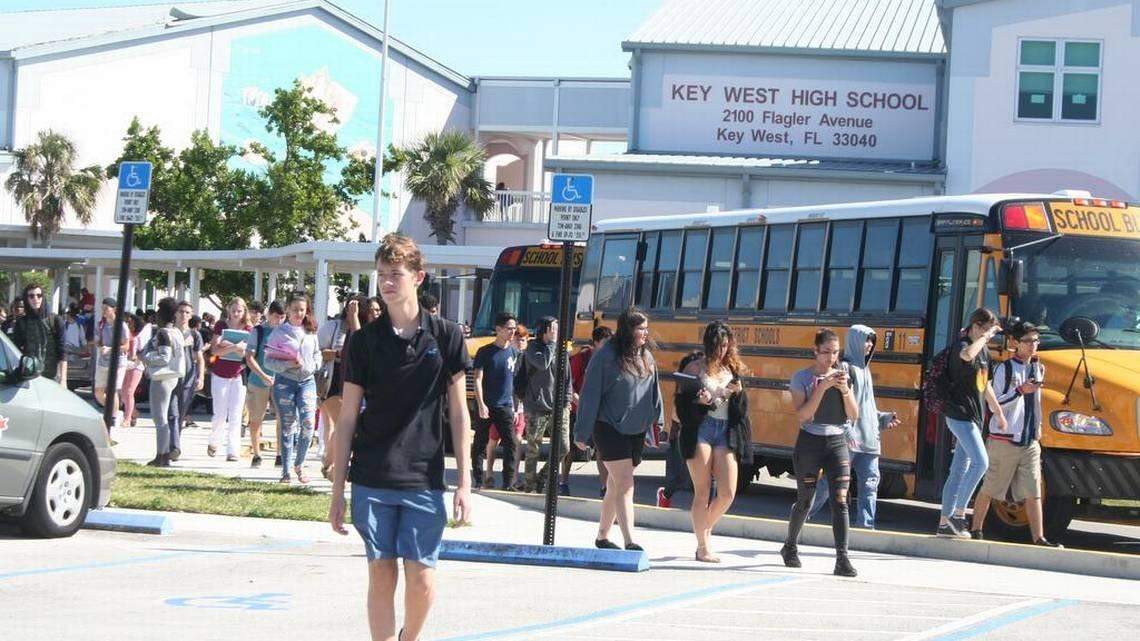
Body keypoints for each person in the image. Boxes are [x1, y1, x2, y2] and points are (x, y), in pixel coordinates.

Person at [328, 233, 471, 641]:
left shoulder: (446, 336)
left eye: (396, 274)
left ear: (418, 277)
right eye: (382, 275)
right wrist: (338, 489)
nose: (387, 283)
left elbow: (460, 414)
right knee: (380, 570)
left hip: (424, 477)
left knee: (422, 578)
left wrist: (465, 481)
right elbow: (348, 416)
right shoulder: (364, 342)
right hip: (372, 475)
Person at [574, 308, 663, 551]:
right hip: (608, 426)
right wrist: (581, 432)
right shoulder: (606, 357)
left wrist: (657, 422)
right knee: (625, 483)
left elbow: (654, 392)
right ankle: (630, 540)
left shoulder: (646, 356)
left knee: (615, 484)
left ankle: (602, 536)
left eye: (646, 328)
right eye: (640, 328)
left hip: (635, 428)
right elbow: (589, 395)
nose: (645, 333)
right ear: (627, 329)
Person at [970, 322, 1062, 547]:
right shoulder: (1004, 368)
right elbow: (994, 404)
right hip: (1004, 439)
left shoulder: (1038, 368)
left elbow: (1037, 403)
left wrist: (1038, 429)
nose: (1033, 345)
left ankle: (1039, 538)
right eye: (1028, 341)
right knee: (991, 487)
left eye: (1036, 341)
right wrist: (1020, 391)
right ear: (1015, 343)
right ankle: (976, 529)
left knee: (1034, 490)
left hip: (1030, 439)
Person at [782, 328, 860, 578]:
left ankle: (842, 557)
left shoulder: (845, 376)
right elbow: (803, 414)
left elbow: (854, 415)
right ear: (815, 351)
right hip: (810, 442)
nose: (830, 358)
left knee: (841, 499)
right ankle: (790, 546)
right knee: (806, 499)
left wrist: (845, 390)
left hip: (837, 442)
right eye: (825, 352)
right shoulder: (801, 378)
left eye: (835, 352)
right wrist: (822, 387)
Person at [675, 321, 753, 563]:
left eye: (726, 346)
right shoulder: (694, 368)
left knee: (728, 492)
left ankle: (703, 530)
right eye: (718, 346)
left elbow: (741, 412)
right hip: (700, 429)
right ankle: (702, 546)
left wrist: (738, 394)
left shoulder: (732, 369)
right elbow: (681, 410)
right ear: (709, 345)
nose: (721, 351)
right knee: (703, 491)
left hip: (725, 431)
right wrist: (701, 402)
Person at [808, 325, 901, 529]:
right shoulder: (846, 369)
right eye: (866, 340)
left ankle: (866, 527)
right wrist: (848, 431)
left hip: (869, 441)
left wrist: (883, 419)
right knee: (830, 483)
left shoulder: (865, 370)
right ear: (854, 341)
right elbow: (840, 406)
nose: (869, 345)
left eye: (871, 341)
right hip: (849, 440)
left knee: (870, 484)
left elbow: (866, 408)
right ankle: (803, 515)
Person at [939, 308, 1006, 537]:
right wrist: (985, 337)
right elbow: (967, 356)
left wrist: (998, 412)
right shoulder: (962, 346)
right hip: (959, 415)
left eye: (990, 331)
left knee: (959, 469)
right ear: (975, 326)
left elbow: (985, 385)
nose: (988, 335)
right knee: (981, 463)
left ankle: (944, 523)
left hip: (975, 417)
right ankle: (958, 515)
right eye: (985, 329)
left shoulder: (984, 351)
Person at [322, 295, 383, 480]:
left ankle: (329, 464)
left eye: (378, 310)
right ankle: (334, 467)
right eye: (371, 310)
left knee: (345, 428)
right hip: (343, 389)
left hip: (370, 390)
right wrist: (354, 316)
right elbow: (360, 343)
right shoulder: (355, 330)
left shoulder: (380, 332)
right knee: (346, 427)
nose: (375, 314)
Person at [264, 294, 322, 484]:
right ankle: (286, 470)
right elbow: (268, 360)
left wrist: (312, 366)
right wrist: (288, 364)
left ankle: (300, 464)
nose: (299, 313)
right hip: (285, 383)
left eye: (302, 310)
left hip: (307, 381)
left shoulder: (311, 331)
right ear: (288, 309)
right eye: (295, 309)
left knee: (307, 423)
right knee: (288, 425)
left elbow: (317, 355)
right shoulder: (279, 332)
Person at [521, 316, 573, 494]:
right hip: (537, 405)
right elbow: (542, 364)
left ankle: (542, 477)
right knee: (533, 448)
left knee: (563, 447)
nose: (556, 333)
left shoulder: (562, 350)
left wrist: (566, 403)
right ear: (544, 330)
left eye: (557, 330)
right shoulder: (532, 348)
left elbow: (567, 378)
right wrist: (551, 345)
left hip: (558, 406)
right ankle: (529, 485)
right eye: (553, 329)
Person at [471, 312, 522, 490]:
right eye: (509, 329)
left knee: (511, 443)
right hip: (487, 404)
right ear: (498, 329)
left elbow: (516, 382)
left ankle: (508, 483)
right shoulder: (485, 352)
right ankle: (478, 478)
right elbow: (477, 378)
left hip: (506, 406)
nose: (512, 332)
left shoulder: (514, 353)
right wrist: (480, 403)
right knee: (480, 442)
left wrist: (517, 407)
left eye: (514, 329)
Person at [572, 325, 614, 498]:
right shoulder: (583, 359)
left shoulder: (613, 359)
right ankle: (564, 480)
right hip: (582, 408)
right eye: (605, 342)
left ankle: (607, 487)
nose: (608, 346)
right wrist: (578, 401)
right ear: (595, 343)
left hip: (605, 412)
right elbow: (571, 383)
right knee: (571, 451)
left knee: (603, 452)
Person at [208, 298, 252, 462]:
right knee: (220, 413)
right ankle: (214, 441)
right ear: (228, 310)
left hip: (238, 374)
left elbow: (247, 352)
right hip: (220, 373)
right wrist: (234, 347)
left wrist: (227, 347)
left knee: (236, 415)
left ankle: (233, 450)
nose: (236, 314)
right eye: (233, 310)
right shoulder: (221, 326)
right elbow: (215, 350)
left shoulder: (248, 328)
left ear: (244, 312)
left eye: (239, 311)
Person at [145, 297, 186, 468]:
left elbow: (164, 357)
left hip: (162, 377)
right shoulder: (177, 332)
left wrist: (147, 357)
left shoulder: (163, 333)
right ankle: (163, 453)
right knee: (163, 417)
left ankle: (161, 455)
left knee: (159, 418)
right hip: (174, 377)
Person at [245, 300, 285, 468]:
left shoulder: (287, 332)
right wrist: (263, 375)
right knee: (256, 419)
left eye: (283, 317)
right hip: (258, 380)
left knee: (282, 419)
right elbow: (249, 357)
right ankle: (256, 454)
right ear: (270, 314)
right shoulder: (259, 331)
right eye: (277, 316)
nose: (280, 320)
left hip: (281, 381)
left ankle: (280, 454)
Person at [657, 351, 698, 509]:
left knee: (700, 479)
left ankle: (701, 510)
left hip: (699, 436)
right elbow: (676, 416)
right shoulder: (682, 390)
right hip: (682, 435)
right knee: (679, 478)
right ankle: (665, 495)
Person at [11, 284, 67, 384]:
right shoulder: (22, 322)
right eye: (31, 296)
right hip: (29, 377)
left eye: (39, 295)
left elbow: (62, 352)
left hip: (51, 377)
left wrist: (63, 380)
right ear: (26, 299)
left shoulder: (55, 320)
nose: (35, 299)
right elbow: (15, 350)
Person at [317, 302, 351, 462]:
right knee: (340, 424)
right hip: (330, 381)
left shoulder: (366, 330)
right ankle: (330, 461)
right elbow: (318, 352)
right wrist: (339, 354)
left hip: (350, 383)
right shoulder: (333, 326)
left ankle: (328, 460)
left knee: (336, 425)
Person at [93, 297, 131, 429]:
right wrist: (98, 343)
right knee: (98, 392)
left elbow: (126, 346)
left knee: (112, 390)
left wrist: (110, 349)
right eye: (102, 308)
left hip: (118, 361)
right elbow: (98, 342)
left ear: (114, 309)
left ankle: (113, 417)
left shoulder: (121, 325)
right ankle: (113, 410)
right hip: (103, 361)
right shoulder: (101, 324)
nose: (103, 311)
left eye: (106, 308)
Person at [178, 309, 206, 428]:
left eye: (187, 312)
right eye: (181, 311)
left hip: (188, 374)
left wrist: (201, 377)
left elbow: (199, 358)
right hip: (172, 375)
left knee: (185, 402)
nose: (184, 315)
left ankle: (182, 422)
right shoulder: (169, 331)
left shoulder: (195, 335)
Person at [119, 314, 145, 428]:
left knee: (129, 391)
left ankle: (127, 418)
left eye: (130, 322)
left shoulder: (138, 337)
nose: (128, 324)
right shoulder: (123, 335)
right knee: (123, 393)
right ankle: (134, 412)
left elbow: (142, 351)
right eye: (126, 322)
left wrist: (136, 356)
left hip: (136, 366)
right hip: (125, 365)